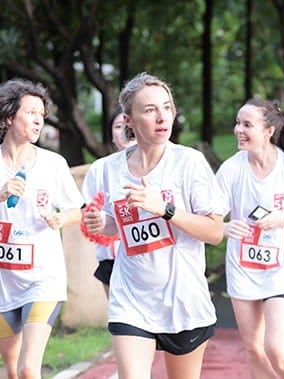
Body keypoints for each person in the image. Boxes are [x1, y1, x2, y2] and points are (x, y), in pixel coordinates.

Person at [82, 72, 224, 379]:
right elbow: (117, 226)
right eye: (149, 110)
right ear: (129, 119)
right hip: (131, 297)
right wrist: (102, 222)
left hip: (183, 300)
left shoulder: (189, 163)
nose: (162, 117)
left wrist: (165, 209)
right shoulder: (107, 170)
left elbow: (214, 232)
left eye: (167, 107)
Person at [216, 98, 284, 379]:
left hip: (281, 270)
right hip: (243, 269)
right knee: (254, 349)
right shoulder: (231, 169)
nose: (239, 129)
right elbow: (210, 218)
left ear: (268, 131)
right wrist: (225, 228)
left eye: (247, 124)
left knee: (276, 348)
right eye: (237, 123)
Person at [0, 78, 84, 378]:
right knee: (10, 367)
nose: (38, 120)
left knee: (27, 368)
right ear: (10, 116)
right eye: (31, 112)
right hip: (3, 281)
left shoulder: (53, 164)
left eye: (41, 114)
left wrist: (62, 219)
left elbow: (78, 210)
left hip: (43, 279)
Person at [81, 104, 136, 298]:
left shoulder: (161, 165)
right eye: (118, 126)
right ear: (111, 136)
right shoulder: (100, 168)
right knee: (119, 320)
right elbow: (87, 213)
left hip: (149, 256)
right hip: (110, 258)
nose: (125, 131)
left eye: (128, 124)